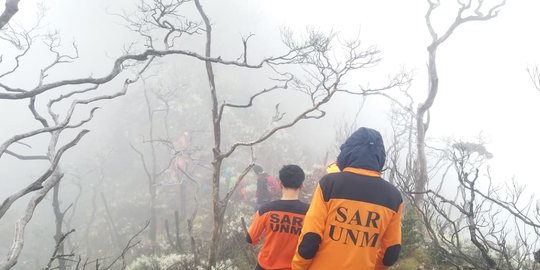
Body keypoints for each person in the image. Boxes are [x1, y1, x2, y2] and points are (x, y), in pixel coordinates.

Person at [292, 127, 403, 270]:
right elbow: (391, 252)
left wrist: (298, 267)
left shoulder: (329, 184)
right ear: (380, 157)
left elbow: (310, 238)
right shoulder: (393, 197)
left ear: (348, 151)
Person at [247, 165, 310, 270]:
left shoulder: (265, 210)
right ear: (301, 185)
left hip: (265, 266)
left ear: (281, 184)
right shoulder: (310, 213)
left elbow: (250, 238)